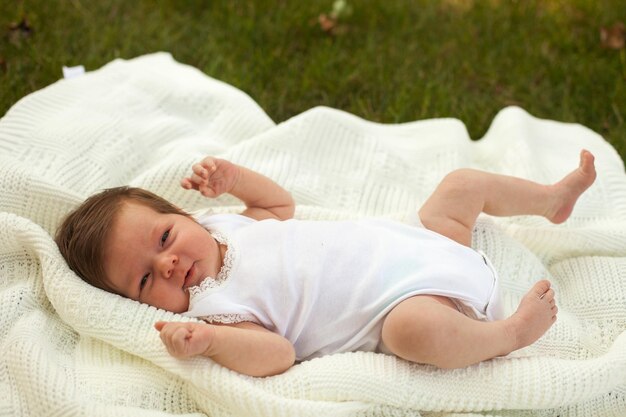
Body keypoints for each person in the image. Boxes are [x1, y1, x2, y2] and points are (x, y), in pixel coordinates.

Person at [55, 150, 597, 377]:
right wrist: (210, 344)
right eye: (146, 279)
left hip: (422, 241)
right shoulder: (213, 310)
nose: (170, 264)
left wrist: (235, 179)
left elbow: (278, 207)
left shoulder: (226, 225)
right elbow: (278, 354)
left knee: (461, 185)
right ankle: (507, 335)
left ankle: (550, 200)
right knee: (412, 331)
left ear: (184, 214)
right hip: (417, 302)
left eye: (165, 237)